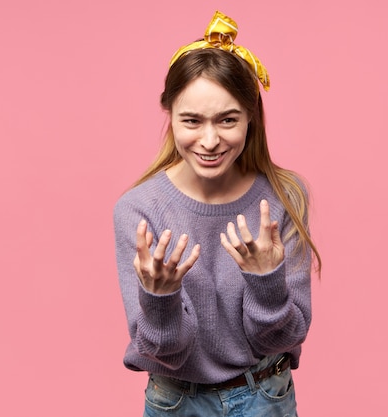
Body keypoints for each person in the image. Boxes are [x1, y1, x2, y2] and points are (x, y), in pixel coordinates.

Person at [113, 10, 320, 417]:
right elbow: (163, 352)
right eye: (191, 120)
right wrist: (160, 297)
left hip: (267, 395)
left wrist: (266, 281)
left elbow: (285, 337)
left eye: (227, 120)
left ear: (250, 119)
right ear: (169, 116)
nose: (209, 140)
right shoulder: (138, 210)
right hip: (177, 401)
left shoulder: (283, 198)